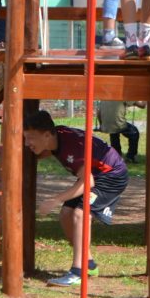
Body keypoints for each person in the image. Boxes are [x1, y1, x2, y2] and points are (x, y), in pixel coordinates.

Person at [23, 110, 128, 287]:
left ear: (47, 135)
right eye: (25, 138)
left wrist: (55, 199)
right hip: (93, 174)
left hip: (111, 176)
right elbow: (50, 152)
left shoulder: (70, 146)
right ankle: (89, 263)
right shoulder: (56, 138)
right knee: (66, 215)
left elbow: (88, 182)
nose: (27, 143)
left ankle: (77, 272)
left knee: (80, 214)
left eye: (30, 138)